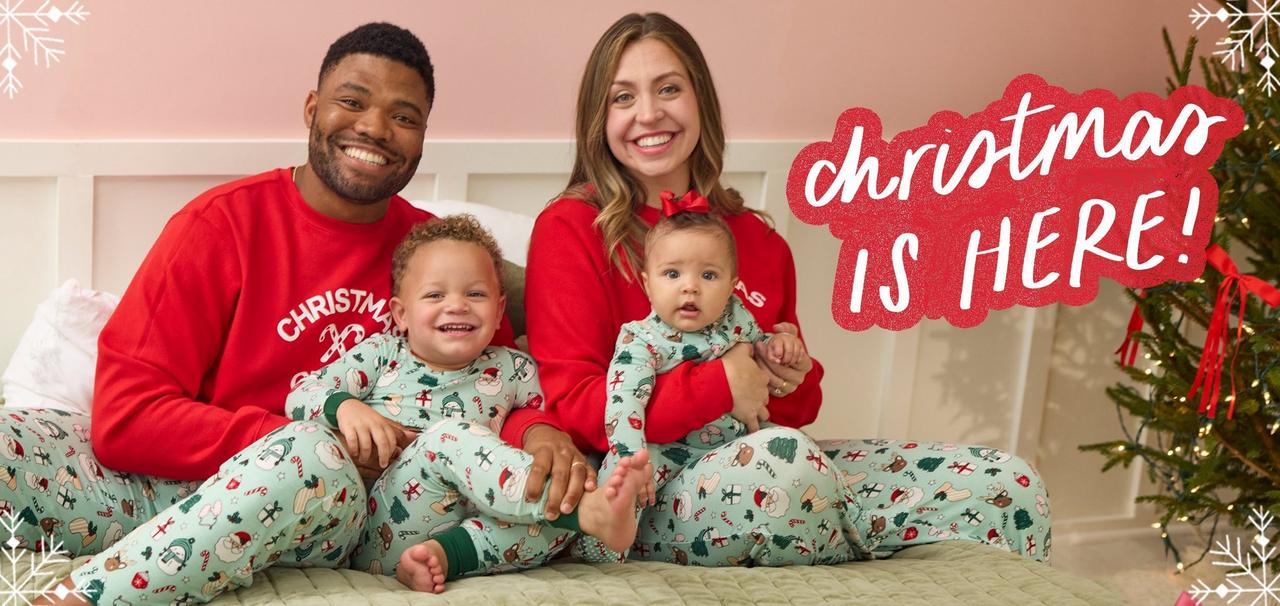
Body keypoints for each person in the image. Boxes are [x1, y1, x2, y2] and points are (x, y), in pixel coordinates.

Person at [19, 22, 584, 606]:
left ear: (422, 137)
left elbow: (497, 385)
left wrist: (541, 432)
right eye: (352, 101)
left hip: (338, 505)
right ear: (313, 107)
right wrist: (303, 432)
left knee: (311, 457)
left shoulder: (441, 259)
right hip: (175, 485)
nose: (374, 128)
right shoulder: (220, 225)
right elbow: (124, 418)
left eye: (404, 116)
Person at [517, 12, 1053, 567]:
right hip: (646, 491)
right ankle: (863, 550)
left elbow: (800, 406)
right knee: (786, 465)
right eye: (622, 97)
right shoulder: (571, 228)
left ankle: (854, 537)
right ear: (598, 118)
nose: (649, 113)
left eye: (669, 89)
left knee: (1008, 484)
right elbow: (575, 406)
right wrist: (720, 383)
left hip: (775, 463)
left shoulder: (756, 237)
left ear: (700, 100)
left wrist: (788, 372)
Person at [284, 215, 649, 593]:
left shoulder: (515, 367)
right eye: (435, 295)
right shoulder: (381, 355)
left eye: (475, 294)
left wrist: (546, 439)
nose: (456, 306)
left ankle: (446, 556)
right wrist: (345, 407)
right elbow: (301, 394)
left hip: (479, 522)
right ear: (401, 314)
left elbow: (546, 421)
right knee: (448, 436)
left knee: (559, 488)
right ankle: (591, 514)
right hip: (388, 522)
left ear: (499, 310)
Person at [582, 197, 867, 565]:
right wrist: (630, 459)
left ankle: (846, 524)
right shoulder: (641, 339)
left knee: (792, 453)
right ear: (647, 284)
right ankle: (603, 549)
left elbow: (761, 349)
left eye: (709, 275)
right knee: (621, 483)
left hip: (731, 447)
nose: (690, 287)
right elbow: (623, 403)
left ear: (732, 285)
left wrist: (779, 347)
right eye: (672, 274)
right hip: (665, 450)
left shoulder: (736, 320)